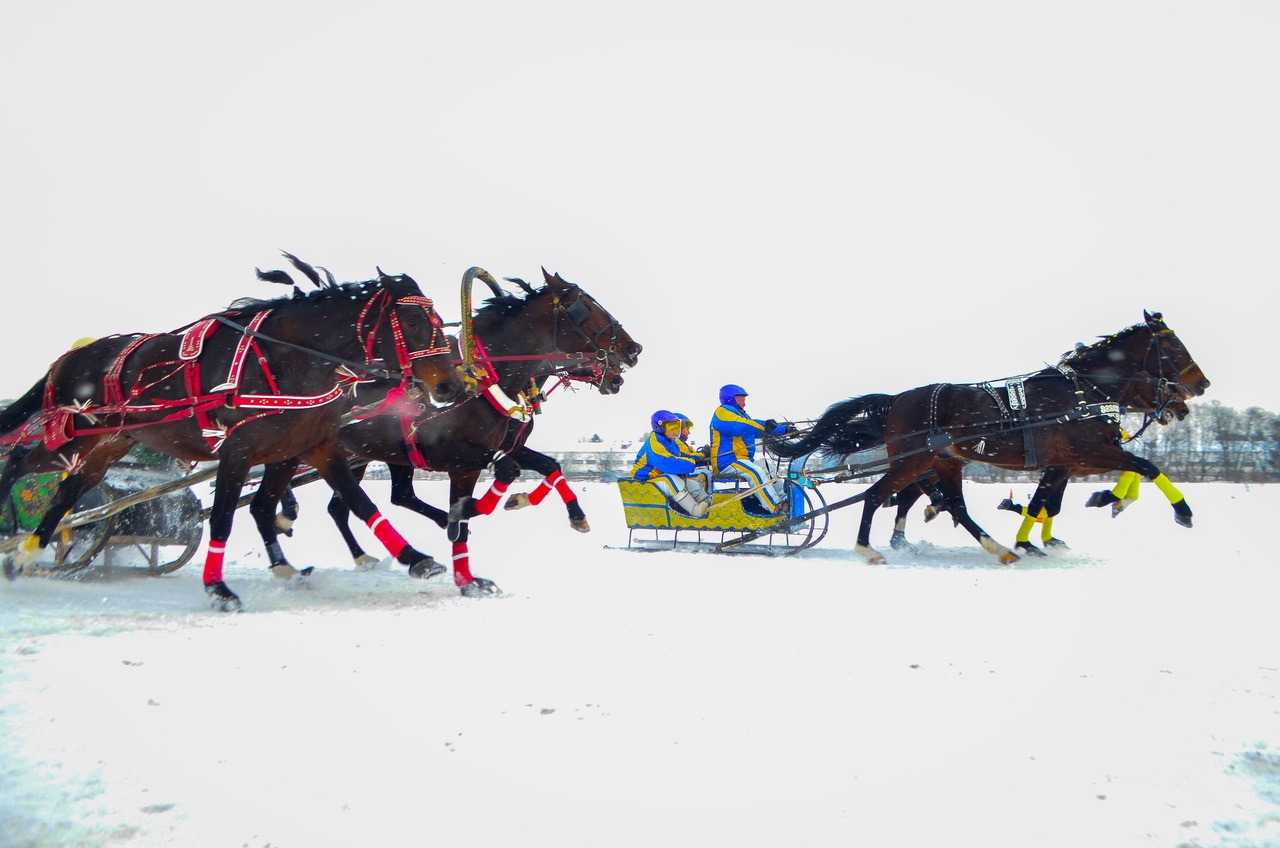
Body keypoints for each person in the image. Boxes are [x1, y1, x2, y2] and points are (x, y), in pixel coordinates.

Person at [709, 384, 789, 514]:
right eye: (741, 399)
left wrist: (783, 430)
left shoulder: (742, 416)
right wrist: (765, 425)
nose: (744, 403)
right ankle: (775, 507)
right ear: (730, 399)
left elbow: (757, 430)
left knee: (768, 467)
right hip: (726, 462)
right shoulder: (722, 413)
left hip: (742, 461)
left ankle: (784, 500)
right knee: (755, 472)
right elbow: (741, 427)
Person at [630, 409, 713, 518]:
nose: (675, 431)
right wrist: (691, 463)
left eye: (676, 427)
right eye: (671, 428)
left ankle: (708, 503)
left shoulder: (671, 442)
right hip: (645, 478)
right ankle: (694, 510)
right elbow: (668, 463)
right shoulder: (654, 443)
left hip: (658, 475)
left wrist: (695, 459)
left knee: (692, 485)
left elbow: (679, 456)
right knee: (669, 480)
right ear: (660, 427)